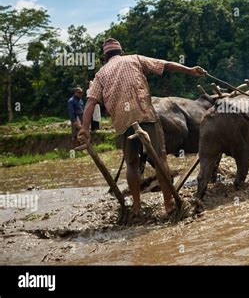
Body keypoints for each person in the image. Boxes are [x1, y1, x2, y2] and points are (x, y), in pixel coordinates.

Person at [78, 38, 207, 216]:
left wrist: (85, 129)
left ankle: (137, 206)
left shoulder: (100, 74)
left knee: (131, 164)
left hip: (123, 124)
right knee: (160, 157)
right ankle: (168, 203)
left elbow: (90, 103)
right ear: (120, 51)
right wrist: (190, 70)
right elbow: (165, 64)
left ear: (105, 56)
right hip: (144, 115)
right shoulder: (135, 59)